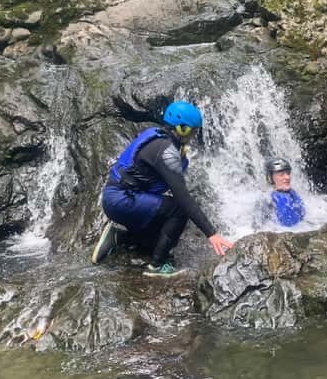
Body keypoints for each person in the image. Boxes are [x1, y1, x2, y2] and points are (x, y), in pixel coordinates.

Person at [92, 100, 234, 277]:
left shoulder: (158, 136)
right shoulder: (166, 152)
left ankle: (120, 237)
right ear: (182, 129)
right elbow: (182, 197)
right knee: (178, 210)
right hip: (122, 199)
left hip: (118, 196)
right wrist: (211, 234)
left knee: (160, 233)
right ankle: (157, 266)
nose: (194, 136)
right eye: (193, 131)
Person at [264, 158, 306, 227]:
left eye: (288, 173)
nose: (287, 177)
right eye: (281, 174)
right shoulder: (267, 200)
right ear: (270, 178)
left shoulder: (292, 194)